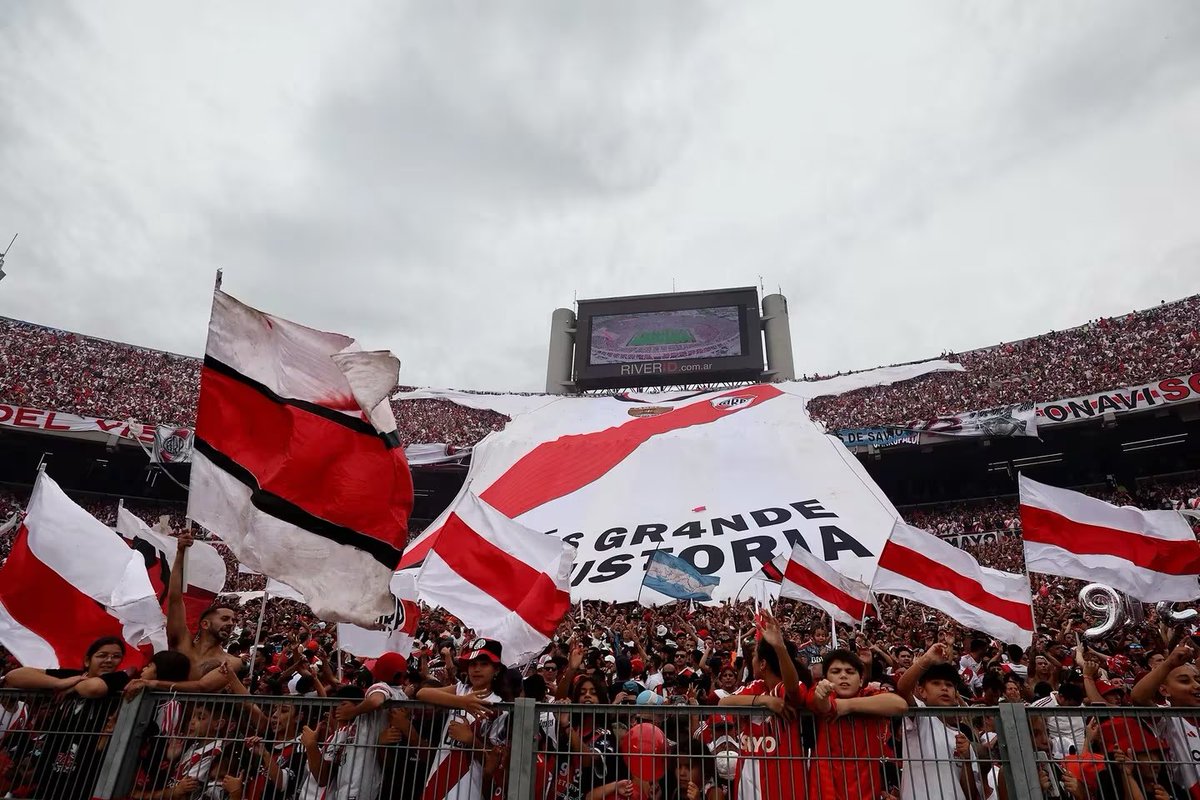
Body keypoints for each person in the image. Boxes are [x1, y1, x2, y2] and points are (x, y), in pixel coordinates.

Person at [3, 636, 134, 800]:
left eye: (116, 656)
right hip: (51, 770)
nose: (109, 660)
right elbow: (14, 676)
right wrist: (58, 683)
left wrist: (74, 685)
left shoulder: (118, 678)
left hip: (87, 772)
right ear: (87, 660)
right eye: (102, 655)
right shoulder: (73, 675)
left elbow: (92, 688)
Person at [718, 610, 831, 800]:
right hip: (746, 780)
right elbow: (723, 703)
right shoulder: (757, 687)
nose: (751, 660)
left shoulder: (783, 688)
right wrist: (762, 700)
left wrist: (780, 648)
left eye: (754, 656)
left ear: (762, 664)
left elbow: (794, 691)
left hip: (781, 781)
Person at [415, 638, 511, 800]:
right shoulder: (461, 689)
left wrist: (470, 740)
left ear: (496, 670)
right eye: (473, 664)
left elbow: (493, 761)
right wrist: (462, 702)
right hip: (438, 778)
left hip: (470, 784)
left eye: (484, 664)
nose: (477, 669)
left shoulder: (500, 707)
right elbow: (422, 693)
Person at [809, 648, 908, 799]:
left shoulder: (869, 695)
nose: (843, 676)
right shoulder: (819, 691)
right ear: (825, 678)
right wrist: (824, 697)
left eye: (850, 672)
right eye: (835, 671)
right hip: (826, 791)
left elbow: (900, 705)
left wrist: (847, 706)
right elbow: (822, 704)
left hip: (866, 791)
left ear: (861, 680)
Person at [895, 643, 979, 800]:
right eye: (936, 683)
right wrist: (926, 659)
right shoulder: (920, 717)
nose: (944, 688)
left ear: (956, 695)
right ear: (922, 691)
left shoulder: (962, 740)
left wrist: (967, 759)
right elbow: (902, 687)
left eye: (949, 685)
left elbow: (970, 794)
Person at [168, 531, 242, 679]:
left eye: (233, 620)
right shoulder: (182, 643)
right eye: (225, 618)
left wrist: (153, 684)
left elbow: (202, 688)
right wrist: (180, 553)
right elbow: (175, 599)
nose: (231, 623)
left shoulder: (231, 662)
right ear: (205, 624)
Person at [1131, 642, 1200, 797]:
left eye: (1198, 679)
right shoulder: (1167, 718)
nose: (1196, 685)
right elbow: (1138, 697)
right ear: (1164, 690)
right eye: (1184, 681)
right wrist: (1169, 664)